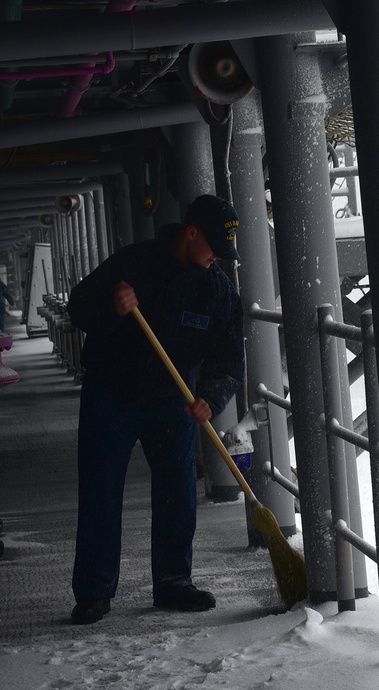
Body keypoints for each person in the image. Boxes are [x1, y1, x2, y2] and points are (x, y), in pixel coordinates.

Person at [67, 194, 245, 625]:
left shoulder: (217, 290)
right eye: (213, 247)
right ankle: (94, 591)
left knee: (177, 491)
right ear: (191, 232)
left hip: (172, 401)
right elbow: (78, 307)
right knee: (101, 491)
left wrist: (211, 397)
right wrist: (112, 306)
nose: (217, 258)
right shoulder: (135, 263)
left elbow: (226, 357)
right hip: (111, 394)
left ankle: (173, 582)